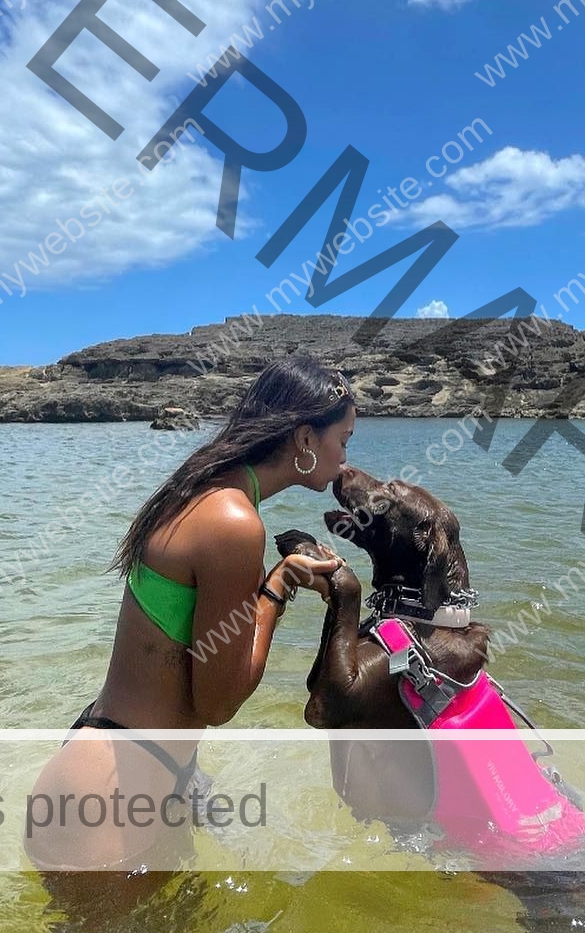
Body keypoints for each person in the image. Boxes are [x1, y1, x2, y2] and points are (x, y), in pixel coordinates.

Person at [25, 354, 353, 873]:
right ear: (305, 439)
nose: (346, 459)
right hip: (116, 796)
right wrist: (279, 586)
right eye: (345, 439)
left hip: (111, 767)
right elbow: (217, 701)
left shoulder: (199, 489)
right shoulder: (233, 522)